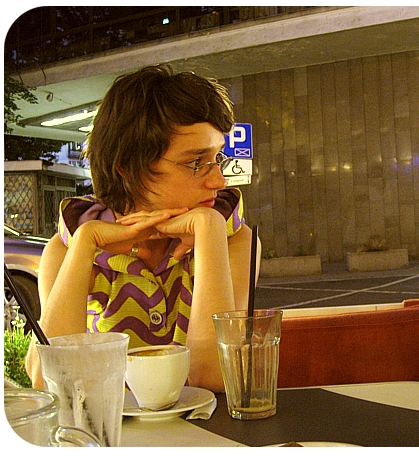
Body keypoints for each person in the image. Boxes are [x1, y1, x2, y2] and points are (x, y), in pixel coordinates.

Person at [25, 64, 258, 393]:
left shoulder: (231, 240)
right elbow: (46, 381)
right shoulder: (69, 248)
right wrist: (86, 241)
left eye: (217, 157)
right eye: (196, 162)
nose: (219, 181)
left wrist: (209, 231)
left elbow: (214, 376)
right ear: (129, 168)